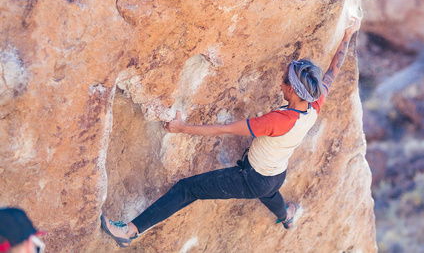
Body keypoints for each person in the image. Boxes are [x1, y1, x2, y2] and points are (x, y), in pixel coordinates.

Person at [101, 16, 362, 248]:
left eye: (283, 80)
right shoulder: (315, 103)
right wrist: (347, 35)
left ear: (292, 90)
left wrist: (182, 128)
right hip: (275, 175)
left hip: (251, 179)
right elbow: (333, 71)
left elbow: (223, 129)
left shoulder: (277, 121)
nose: (280, 82)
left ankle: (130, 231)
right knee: (269, 193)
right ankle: (287, 216)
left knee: (187, 189)